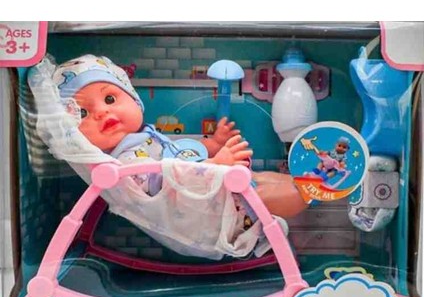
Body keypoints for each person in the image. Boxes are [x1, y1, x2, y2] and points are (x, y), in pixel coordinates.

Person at [53, 55, 307, 219]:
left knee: (267, 179)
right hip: (209, 207)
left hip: (216, 188)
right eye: (83, 113)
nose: (102, 112)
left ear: (133, 99)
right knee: (292, 195)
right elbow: (167, 185)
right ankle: (312, 190)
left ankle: (311, 183)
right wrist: (215, 165)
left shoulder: (144, 137)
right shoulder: (125, 164)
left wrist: (212, 144)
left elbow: (180, 151)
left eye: (110, 98)